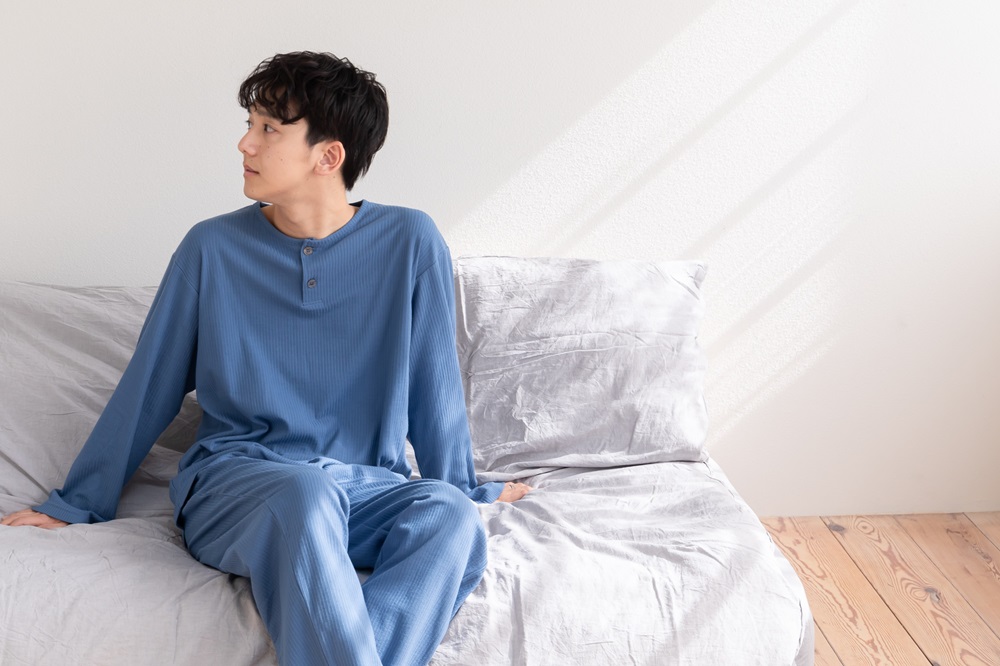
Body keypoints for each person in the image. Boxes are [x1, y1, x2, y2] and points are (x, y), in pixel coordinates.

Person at [0, 51, 530, 665]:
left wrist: (463, 489)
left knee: (451, 519)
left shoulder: (411, 241)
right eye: (250, 124)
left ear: (328, 156)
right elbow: (149, 386)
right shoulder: (212, 248)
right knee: (304, 492)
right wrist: (78, 502)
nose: (244, 143)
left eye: (268, 129)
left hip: (363, 488)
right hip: (237, 487)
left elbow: (433, 384)